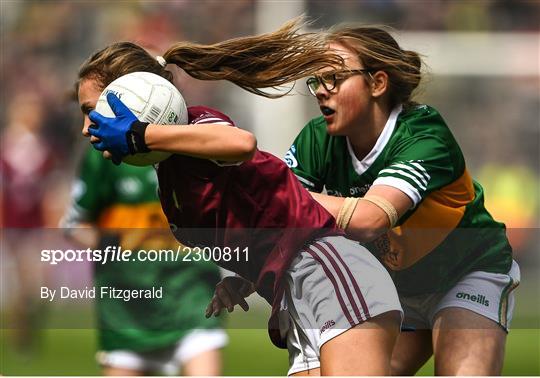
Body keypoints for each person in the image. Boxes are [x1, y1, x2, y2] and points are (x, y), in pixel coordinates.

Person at [75, 19, 402, 376]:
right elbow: (268, 223)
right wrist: (245, 278)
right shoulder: (169, 175)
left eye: (91, 111)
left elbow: (241, 143)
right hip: (295, 296)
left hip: (328, 273)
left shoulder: (197, 126)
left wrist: (142, 134)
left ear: (132, 99)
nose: (86, 128)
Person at [285, 25, 520, 375]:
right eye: (317, 80)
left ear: (378, 83)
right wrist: (244, 278)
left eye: (333, 78)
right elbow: (278, 221)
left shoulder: (424, 135)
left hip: (465, 273)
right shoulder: (315, 141)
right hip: (390, 287)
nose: (321, 91)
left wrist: (286, 196)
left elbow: (369, 219)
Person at [61, 145, 227, 376]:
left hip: (191, 297)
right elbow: (73, 225)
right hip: (126, 311)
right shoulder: (106, 154)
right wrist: (117, 244)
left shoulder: (193, 144)